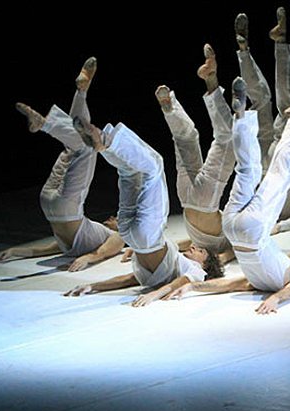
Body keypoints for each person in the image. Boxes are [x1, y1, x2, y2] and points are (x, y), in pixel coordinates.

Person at [164, 79, 290, 314]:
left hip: (251, 232)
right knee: (247, 170)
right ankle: (242, 114)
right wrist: (193, 286)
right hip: (233, 230)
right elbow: (228, 284)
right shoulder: (262, 280)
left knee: (277, 174)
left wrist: (276, 299)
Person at [62, 117, 223, 306]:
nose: (195, 247)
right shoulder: (175, 267)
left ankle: (106, 141)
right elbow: (127, 279)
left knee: (155, 166)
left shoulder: (198, 271)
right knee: (128, 173)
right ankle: (103, 145)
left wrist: (154, 295)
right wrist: (92, 286)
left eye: (201, 251)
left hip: (147, 236)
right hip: (130, 235)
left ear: (206, 264)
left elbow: (181, 283)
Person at [0, 58, 125, 271]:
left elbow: (107, 250)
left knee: (88, 146)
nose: (112, 217)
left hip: (66, 208)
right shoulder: (92, 234)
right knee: (75, 144)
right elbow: (52, 248)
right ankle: (81, 92)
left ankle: (46, 123)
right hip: (50, 203)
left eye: (118, 218)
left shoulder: (119, 236)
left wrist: (89, 259)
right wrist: (17, 252)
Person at [156, 44, 237, 265]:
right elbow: (190, 242)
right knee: (184, 139)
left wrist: (220, 259)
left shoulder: (222, 242)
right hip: (185, 198)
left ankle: (211, 81)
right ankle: (170, 108)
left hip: (204, 200)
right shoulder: (205, 242)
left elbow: (236, 249)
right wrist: (165, 247)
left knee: (227, 139)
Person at [234, 8, 290, 229]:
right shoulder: (280, 213)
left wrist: (276, 228)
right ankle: (251, 50)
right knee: (266, 103)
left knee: (271, 104)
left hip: (268, 170)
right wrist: (278, 228)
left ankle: (254, 49)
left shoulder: (270, 216)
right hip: (270, 169)